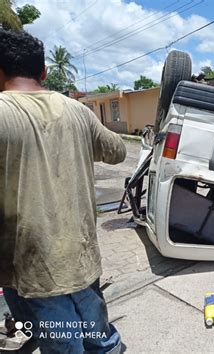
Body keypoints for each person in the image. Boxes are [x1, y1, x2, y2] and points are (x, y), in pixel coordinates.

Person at [0, 30, 125, 352]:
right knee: (101, 337)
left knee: (64, 343)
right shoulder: (78, 111)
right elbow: (117, 152)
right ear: (43, 72)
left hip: (33, 267)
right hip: (82, 256)